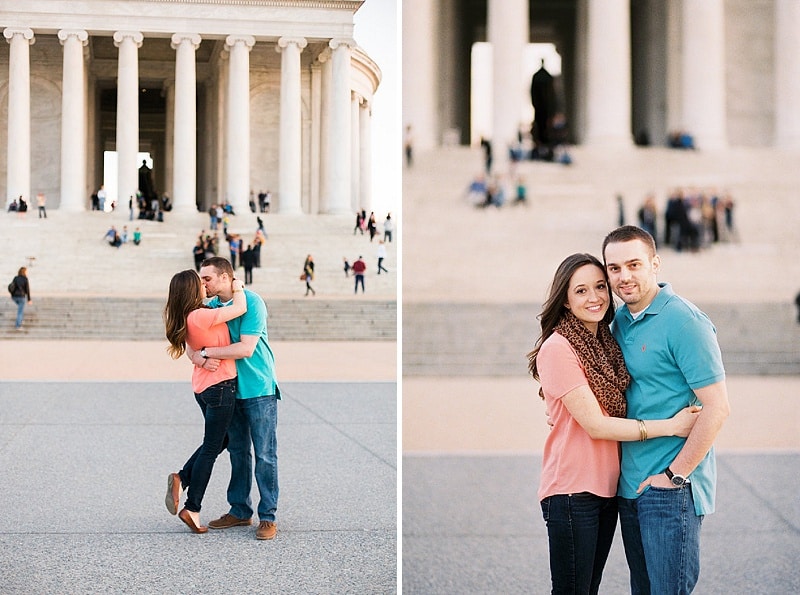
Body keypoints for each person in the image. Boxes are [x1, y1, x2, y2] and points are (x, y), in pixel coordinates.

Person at [528, 253, 700, 594]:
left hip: (606, 489)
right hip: (573, 489)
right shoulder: (558, 347)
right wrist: (671, 426)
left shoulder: (606, 343)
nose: (594, 298)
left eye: (599, 287)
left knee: (588, 587)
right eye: (581, 291)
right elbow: (596, 425)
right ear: (564, 298)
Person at [602, 225, 730, 593]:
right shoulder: (620, 321)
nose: (624, 276)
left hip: (671, 490)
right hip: (630, 487)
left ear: (654, 264)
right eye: (614, 268)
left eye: (634, 264)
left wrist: (674, 476)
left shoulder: (685, 321)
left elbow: (717, 408)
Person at [188, 257, 281, 541]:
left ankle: (268, 516)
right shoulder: (212, 307)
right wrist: (198, 357)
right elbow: (190, 345)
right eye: (201, 279)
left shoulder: (252, 302)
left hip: (258, 387)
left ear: (227, 278)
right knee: (238, 452)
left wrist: (206, 354)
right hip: (228, 390)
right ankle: (240, 510)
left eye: (208, 279)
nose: (203, 284)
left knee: (265, 454)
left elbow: (246, 348)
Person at [163, 271, 247, 534]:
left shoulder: (188, 316)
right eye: (200, 282)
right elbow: (240, 307)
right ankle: (193, 507)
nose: (205, 284)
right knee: (211, 449)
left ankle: (183, 477)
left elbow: (191, 351)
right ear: (190, 289)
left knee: (220, 441)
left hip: (204, 387)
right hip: (220, 386)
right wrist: (239, 286)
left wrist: (199, 357)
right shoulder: (200, 316)